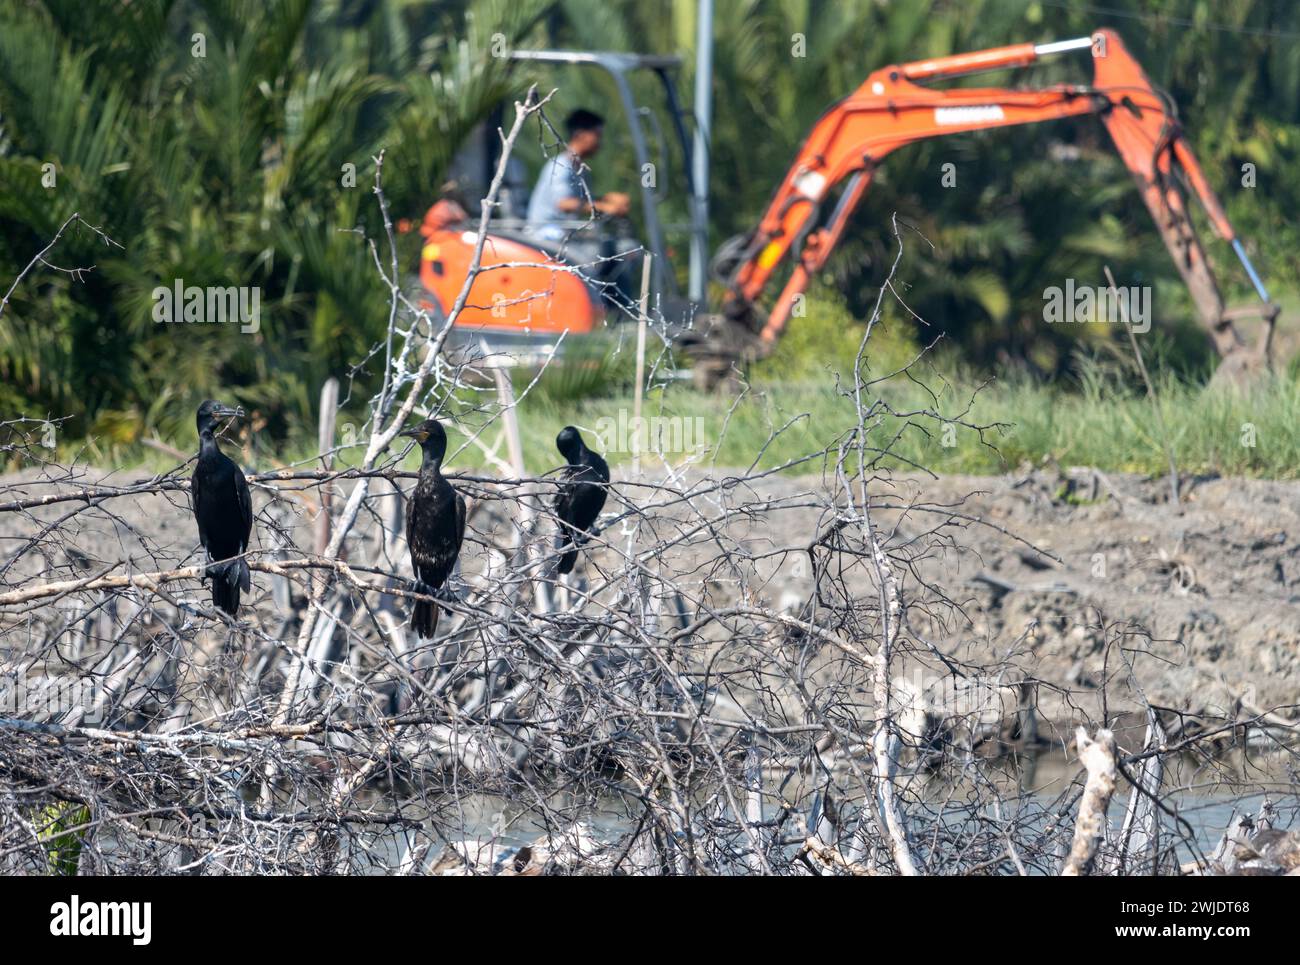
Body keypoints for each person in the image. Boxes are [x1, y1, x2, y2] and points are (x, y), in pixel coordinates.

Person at [527, 108, 631, 242]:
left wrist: (607, 199)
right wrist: (605, 207)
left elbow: (581, 200)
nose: (600, 143)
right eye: (597, 135)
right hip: (546, 234)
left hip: (564, 231)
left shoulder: (581, 168)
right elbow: (564, 204)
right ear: (581, 135)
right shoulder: (561, 166)